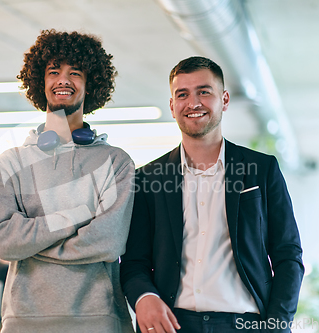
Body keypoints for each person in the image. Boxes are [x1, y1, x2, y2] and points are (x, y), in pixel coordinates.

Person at [120, 56, 304, 333]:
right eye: (182, 95)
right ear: (172, 106)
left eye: (204, 92)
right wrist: (144, 298)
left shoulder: (261, 170)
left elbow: (288, 255)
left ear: (225, 100)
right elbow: (134, 262)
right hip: (173, 325)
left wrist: (277, 325)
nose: (193, 103)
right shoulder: (147, 178)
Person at [0, 29, 135, 333]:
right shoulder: (8, 164)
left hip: (99, 320)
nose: (63, 80)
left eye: (74, 73)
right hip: (25, 322)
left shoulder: (115, 162)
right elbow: (5, 242)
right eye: (54, 71)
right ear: (40, 82)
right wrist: (79, 216)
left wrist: (32, 241)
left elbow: (108, 242)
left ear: (90, 84)